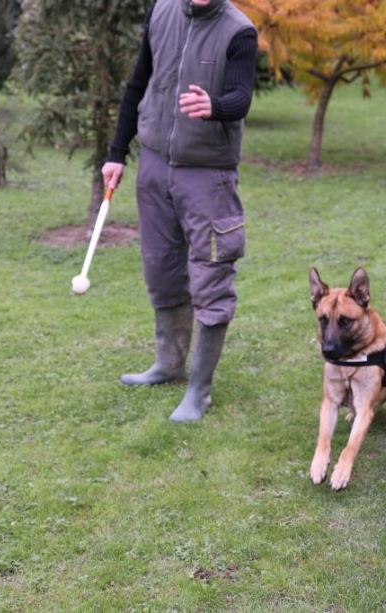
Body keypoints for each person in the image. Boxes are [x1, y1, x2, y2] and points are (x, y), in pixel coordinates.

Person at [101, 0, 258, 422]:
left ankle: (199, 392)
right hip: (154, 166)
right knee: (161, 269)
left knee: (211, 276)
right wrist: (117, 152)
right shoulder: (161, 10)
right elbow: (138, 83)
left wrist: (215, 106)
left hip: (207, 175)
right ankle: (168, 364)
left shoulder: (239, 31)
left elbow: (241, 97)